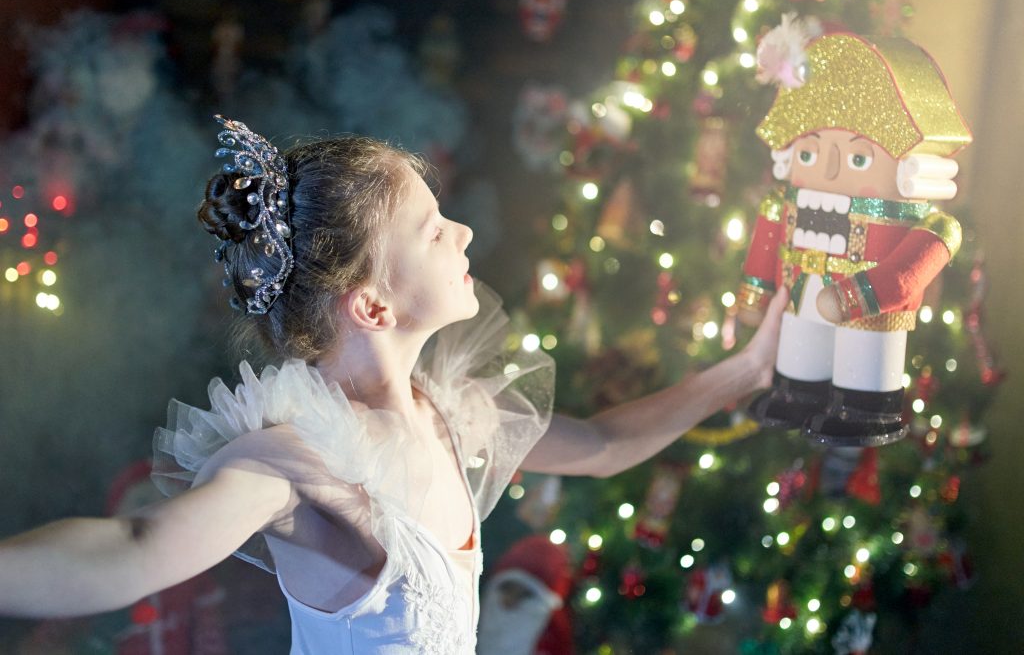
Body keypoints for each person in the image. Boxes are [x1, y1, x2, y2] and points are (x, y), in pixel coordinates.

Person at [0, 117, 787, 654]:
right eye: (434, 228)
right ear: (373, 305)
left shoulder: (452, 413)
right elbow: (134, 549)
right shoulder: (297, 467)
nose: (466, 232)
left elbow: (606, 445)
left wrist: (747, 370)